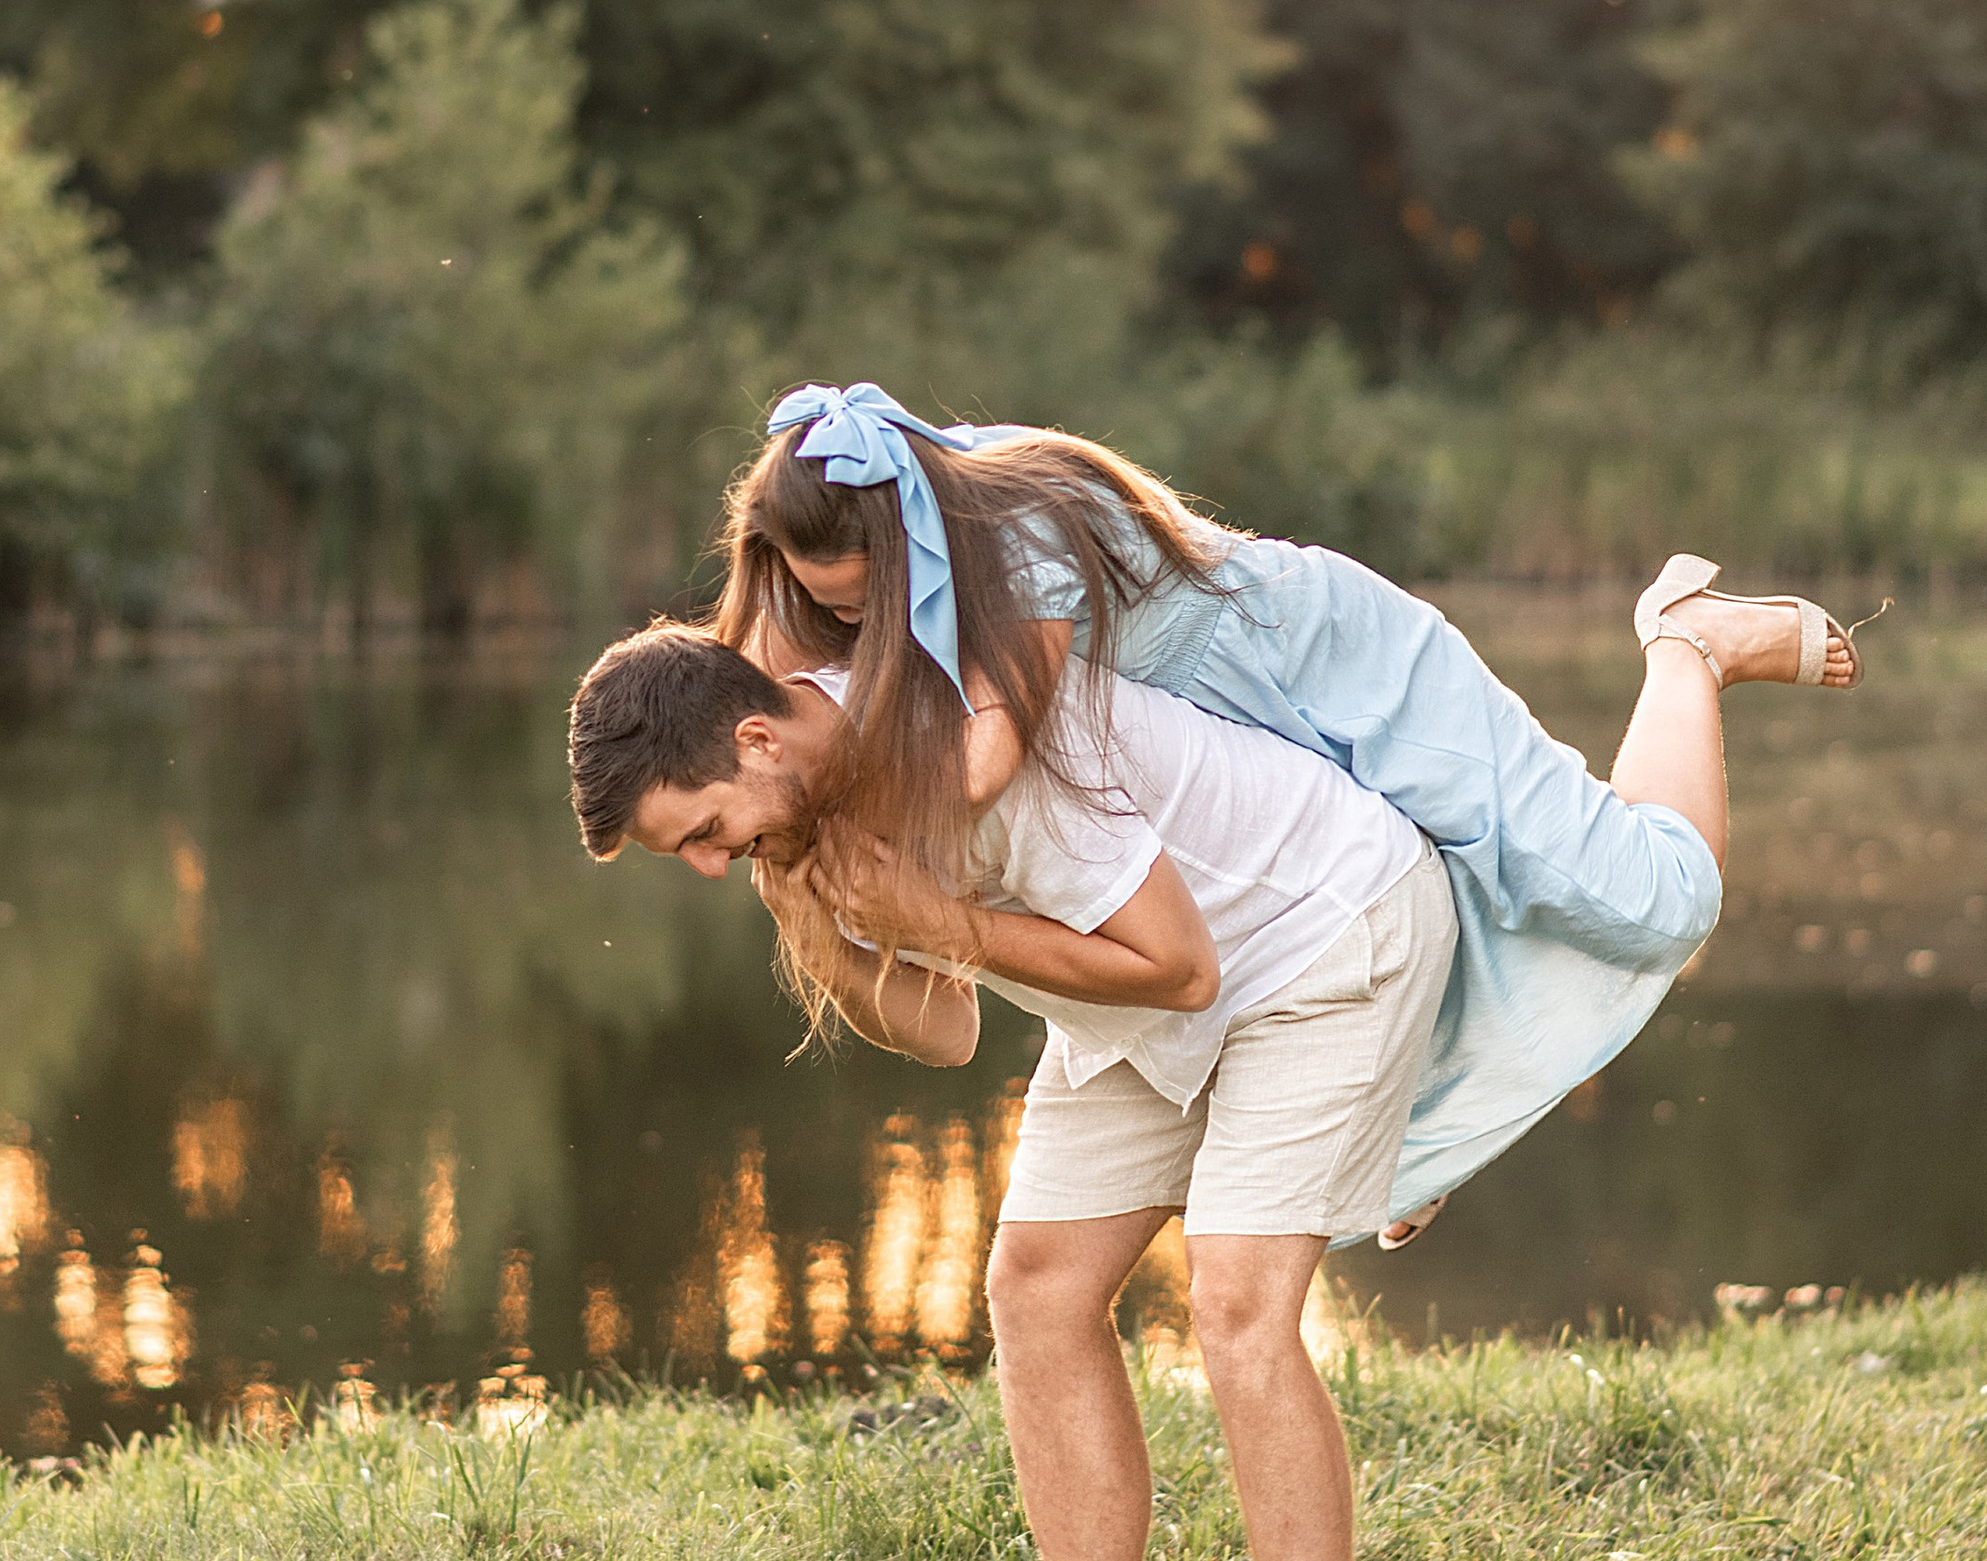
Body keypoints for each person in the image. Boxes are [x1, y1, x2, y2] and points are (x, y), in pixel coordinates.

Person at [566, 618, 1457, 1561]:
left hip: (1318, 934)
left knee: (1236, 1302)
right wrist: (825, 932)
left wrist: (942, 922)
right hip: (1137, 991)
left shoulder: (964, 744)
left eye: (702, 831)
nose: (707, 862)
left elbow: (1181, 966)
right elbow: (944, 1027)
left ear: (756, 740)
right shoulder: (800, 822)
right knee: (1035, 1284)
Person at [714, 384, 1878, 1244]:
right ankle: (1414, 1135)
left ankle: (1688, 641)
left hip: (1331, 667)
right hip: (1244, 756)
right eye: (834, 607)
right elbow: (744, 728)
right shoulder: (821, 579)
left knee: (1650, 903)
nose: (862, 626)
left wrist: (864, 832)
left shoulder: (1014, 524)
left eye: (872, 596)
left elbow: (979, 763)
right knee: (1384, 927)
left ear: (912, 524)